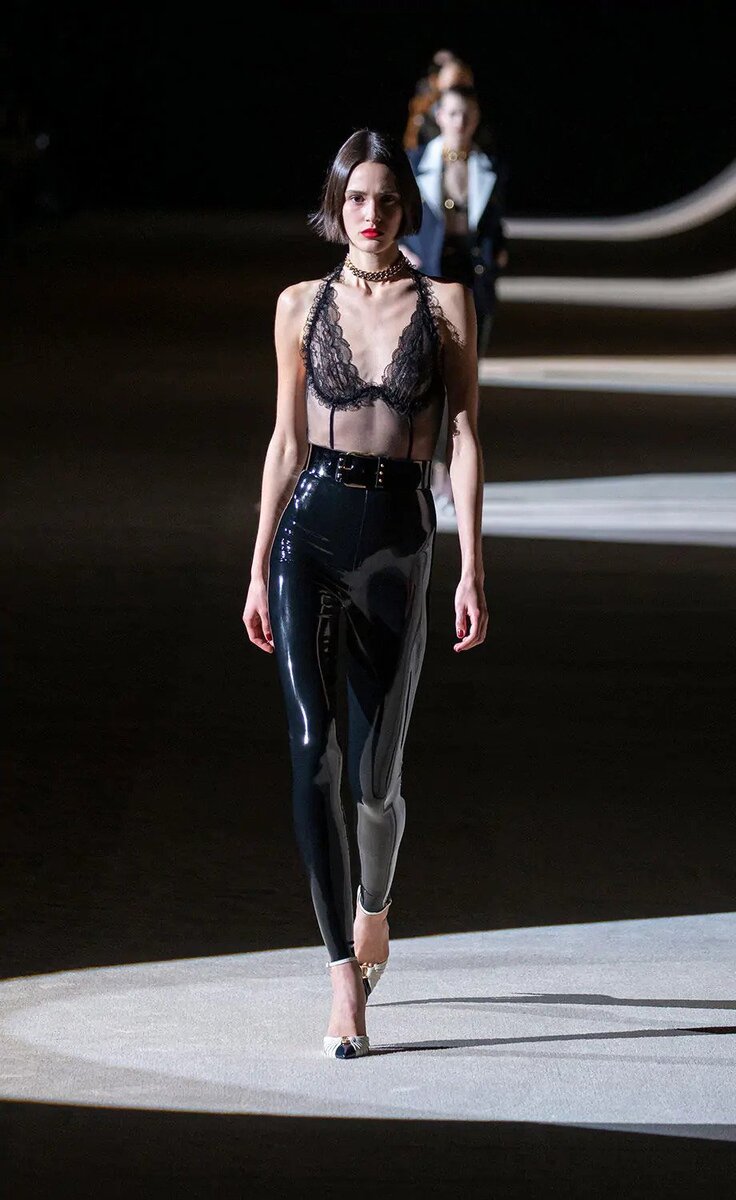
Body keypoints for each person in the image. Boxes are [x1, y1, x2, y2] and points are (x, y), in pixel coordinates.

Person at [242, 128, 488, 1059]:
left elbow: (463, 435)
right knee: (314, 749)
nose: (371, 213)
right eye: (356, 198)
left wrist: (472, 565)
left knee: (374, 776)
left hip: (398, 541)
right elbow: (283, 442)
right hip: (308, 531)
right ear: (335, 206)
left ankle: (375, 906)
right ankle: (342, 976)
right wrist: (256, 562)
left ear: (404, 209)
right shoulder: (299, 305)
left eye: (386, 199)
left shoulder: (446, 305)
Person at [400, 84, 509, 515]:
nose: (459, 122)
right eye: (452, 113)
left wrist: (497, 253)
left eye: (467, 114)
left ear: (476, 119)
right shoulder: (415, 164)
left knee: (464, 381)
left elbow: (495, 224)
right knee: (425, 377)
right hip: (430, 275)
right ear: (439, 117)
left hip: (473, 277)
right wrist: (403, 252)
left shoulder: (490, 166)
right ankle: (427, 467)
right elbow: (402, 217)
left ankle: (451, 472)